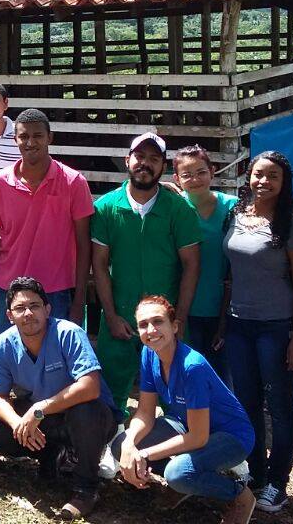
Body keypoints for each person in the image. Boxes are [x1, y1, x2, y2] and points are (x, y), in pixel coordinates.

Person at [0, 276, 119, 520]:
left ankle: (86, 489)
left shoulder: (68, 333)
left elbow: (90, 387)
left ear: (47, 309)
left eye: (34, 306)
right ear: (10, 316)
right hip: (47, 418)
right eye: (20, 308)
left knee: (84, 411)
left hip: (92, 417)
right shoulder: (3, 344)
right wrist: (17, 424)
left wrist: (40, 408)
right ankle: (52, 455)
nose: (28, 313)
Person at [112, 296, 257, 524]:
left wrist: (145, 454)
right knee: (121, 446)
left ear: (175, 326)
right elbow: (145, 414)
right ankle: (187, 483)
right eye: (143, 324)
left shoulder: (192, 366)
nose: (151, 330)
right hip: (184, 424)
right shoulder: (149, 354)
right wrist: (130, 444)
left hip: (231, 436)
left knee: (177, 473)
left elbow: (198, 437)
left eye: (158, 321)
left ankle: (238, 494)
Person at [222, 150, 293, 513]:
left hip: (276, 328)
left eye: (272, 176)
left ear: (283, 182)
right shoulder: (235, 215)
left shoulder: (290, 225)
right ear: (248, 176)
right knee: (247, 403)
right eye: (259, 174)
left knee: (279, 405)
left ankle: (279, 482)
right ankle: (256, 474)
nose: (264, 181)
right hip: (239, 324)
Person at [92, 131, 201, 414]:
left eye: (154, 159)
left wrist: (181, 318)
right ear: (127, 161)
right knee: (110, 390)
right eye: (139, 156)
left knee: (172, 389)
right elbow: (99, 266)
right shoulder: (105, 208)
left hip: (166, 317)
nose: (145, 163)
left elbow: (191, 265)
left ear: (163, 167)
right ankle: (110, 443)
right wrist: (112, 316)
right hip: (120, 315)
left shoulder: (179, 209)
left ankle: (172, 449)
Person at [0, 108, 93, 340]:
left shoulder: (73, 182)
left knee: (55, 361)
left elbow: (84, 245)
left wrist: (79, 300)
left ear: (49, 138)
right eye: (23, 136)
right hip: (6, 290)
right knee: (4, 359)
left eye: (38, 135)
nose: (30, 142)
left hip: (55, 291)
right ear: (15, 139)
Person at [172, 145, 239, 382]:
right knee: (187, 374)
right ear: (177, 179)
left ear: (212, 171)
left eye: (201, 172)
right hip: (185, 310)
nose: (195, 179)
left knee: (222, 377)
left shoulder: (233, 208)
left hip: (224, 309)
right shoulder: (174, 208)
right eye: (186, 175)